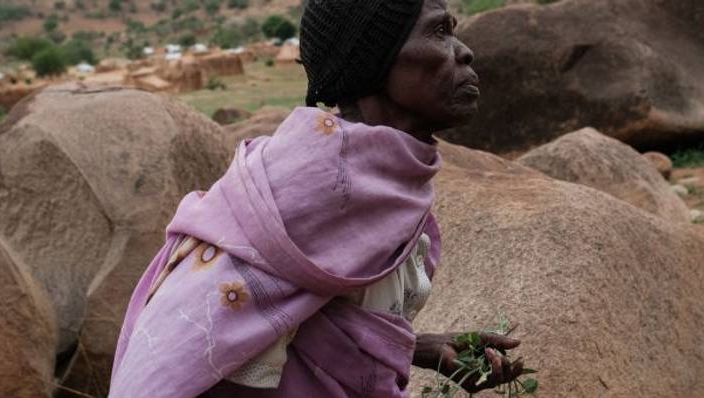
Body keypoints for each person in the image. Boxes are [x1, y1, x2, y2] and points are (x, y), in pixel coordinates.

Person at [108, 0, 525, 396]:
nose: (464, 52)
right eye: (438, 31)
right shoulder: (309, 185)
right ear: (373, 58)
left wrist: (413, 347)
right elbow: (185, 344)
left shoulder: (384, 179)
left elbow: (291, 314)